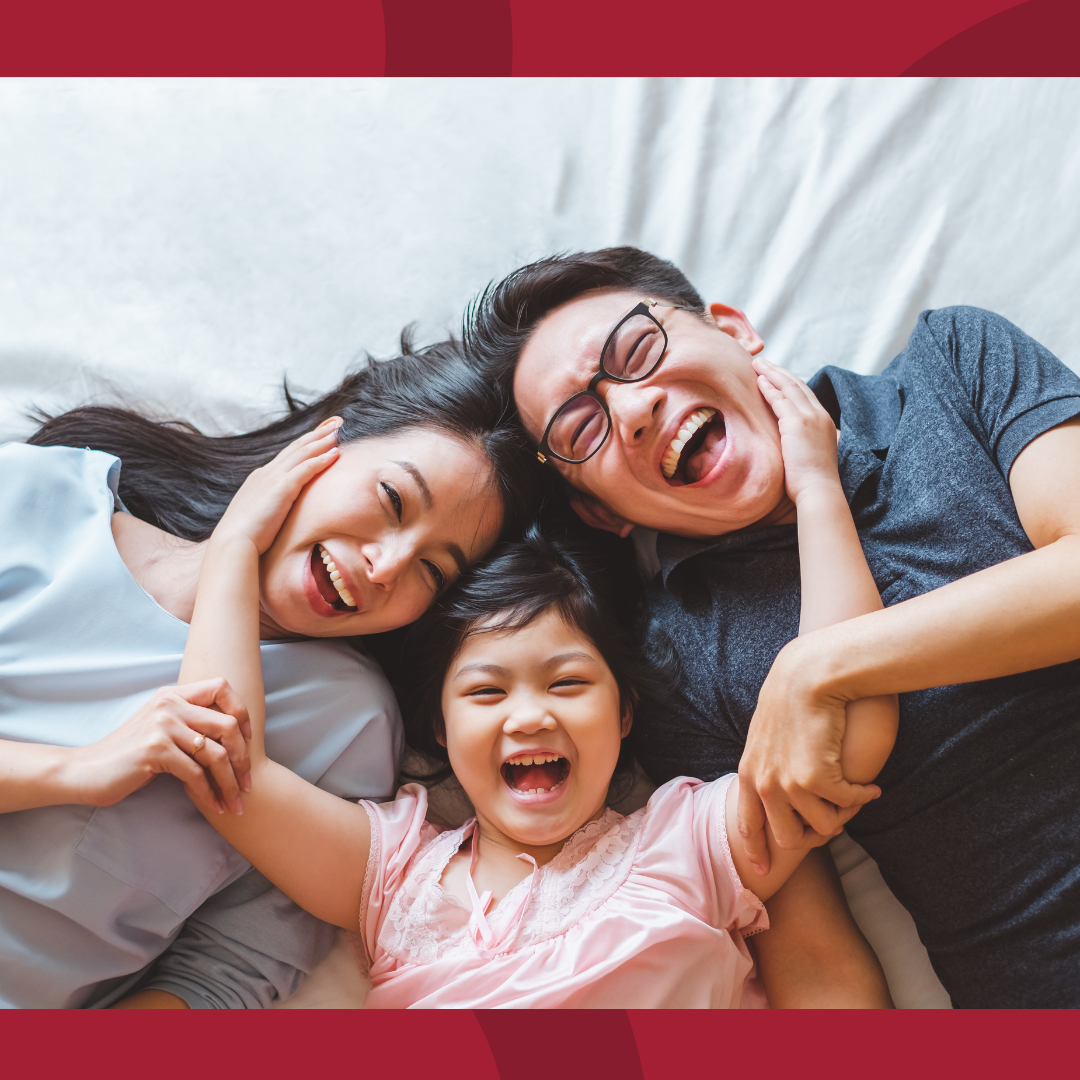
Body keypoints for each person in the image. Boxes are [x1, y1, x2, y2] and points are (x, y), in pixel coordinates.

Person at [463, 247, 1080, 1008]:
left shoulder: (954, 363)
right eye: (580, 427)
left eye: (635, 350)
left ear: (734, 330)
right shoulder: (675, 665)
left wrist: (816, 670)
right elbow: (818, 964)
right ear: (601, 512)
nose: (630, 410)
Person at [165, 376, 896, 1008]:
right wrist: (235, 546)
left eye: (569, 683)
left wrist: (818, 491)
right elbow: (225, 763)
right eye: (485, 693)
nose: (531, 715)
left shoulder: (690, 845)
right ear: (441, 730)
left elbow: (848, 725)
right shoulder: (392, 876)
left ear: (624, 712)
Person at [0, 339, 533, 1009]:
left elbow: (226, 974)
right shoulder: (33, 494)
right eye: (393, 499)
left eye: (433, 569)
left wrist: (235, 553)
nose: (388, 565)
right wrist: (77, 772)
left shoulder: (346, 723)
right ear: (322, 443)